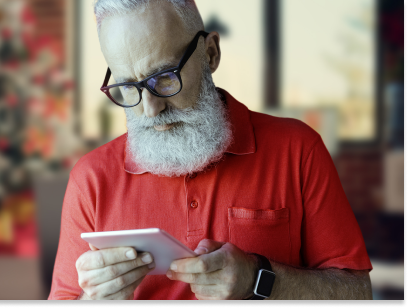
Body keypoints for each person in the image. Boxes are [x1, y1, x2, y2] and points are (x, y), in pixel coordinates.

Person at [48, 0, 372, 300]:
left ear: (211, 53)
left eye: (163, 78)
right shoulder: (90, 180)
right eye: (128, 87)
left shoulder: (298, 149)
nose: (150, 109)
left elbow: (358, 293)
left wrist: (258, 278)